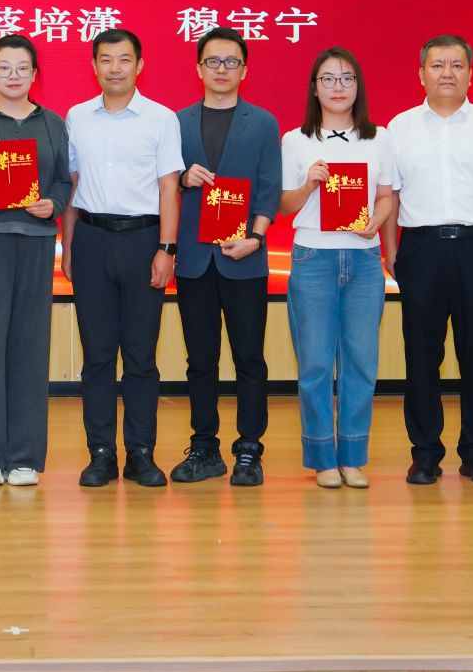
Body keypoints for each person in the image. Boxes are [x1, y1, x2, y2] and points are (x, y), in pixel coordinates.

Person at [383, 34, 473, 486]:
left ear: (470, 74)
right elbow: (391, 195)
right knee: (421, 354)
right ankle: (425, 452)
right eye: (438, 65)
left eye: (457, 65)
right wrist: (391, 250)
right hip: (420, 248)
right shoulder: (399, 128)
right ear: (421, 74)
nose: (447, 73)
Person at [62, 28, 183, 488]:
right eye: (106, 59)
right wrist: (68, 245)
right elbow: (73, 186)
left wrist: (166, 249)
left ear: (140, 65)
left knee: (139, 354)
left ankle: (140, 453)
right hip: (91, 239)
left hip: (143, 241)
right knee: (96, 355)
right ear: (93, 66)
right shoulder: (77, 117)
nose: (115, 68)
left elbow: (169, 187)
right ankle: (100, 454)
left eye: (124, 59)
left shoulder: (161, 119)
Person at [0, 35, 72, 487]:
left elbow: (63, 181)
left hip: (37, 241)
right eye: (4, 68)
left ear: (35, 75)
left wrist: (52, 205)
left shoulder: (52, 123)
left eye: (23, 68)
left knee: (29, 346)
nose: (14, 76)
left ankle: (24, 457)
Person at [278, 47, 397, 490]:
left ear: (358, 87)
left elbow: (385, 196)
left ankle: (352, 455)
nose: (338, 87)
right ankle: (322, 457)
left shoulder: (379, 138)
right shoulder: (295, 140)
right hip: (313, 256)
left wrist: (376, 221)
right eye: (328, 79)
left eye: (347, 78)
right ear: (314, 88)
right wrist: (309, 184)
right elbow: (283, 205)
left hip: (364, 259)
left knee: (361, 362)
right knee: (314, 363)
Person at [169, 28, 282, 486]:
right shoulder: (176, 122)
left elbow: (269, 187)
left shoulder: (264, 122)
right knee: (200, 360)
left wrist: (256, 237)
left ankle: (249, 449)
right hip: (194, 258)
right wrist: (182, 179)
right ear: (198, 68)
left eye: (231, 61)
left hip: (245, 258)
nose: (221, 69)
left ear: (244, 69)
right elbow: (161, 183)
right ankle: (204, 447)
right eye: (212, 61)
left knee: (249, 358)